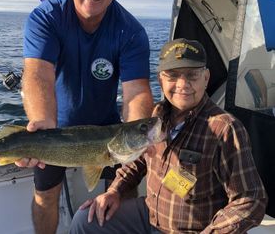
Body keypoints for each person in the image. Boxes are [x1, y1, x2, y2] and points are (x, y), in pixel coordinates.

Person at [16, 0, 154, 234]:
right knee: (45, 195)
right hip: (53, 130)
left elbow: (137, 91)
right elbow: (38, 74)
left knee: (123, 191)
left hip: (106, 130)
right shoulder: (47, 17)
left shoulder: (130, 31)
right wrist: (42, 124)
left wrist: (139, 133)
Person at [70, 38, 268, 234]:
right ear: (160, 79)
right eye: (172, 76)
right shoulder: (156, 115)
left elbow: (251, 199)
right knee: (85, 219)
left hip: (195, 229)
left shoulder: (225, 128)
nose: (183, 84)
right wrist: (115, 191)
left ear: (206, 78)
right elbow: (137, 161)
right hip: (150, 215)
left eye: (192, 75)